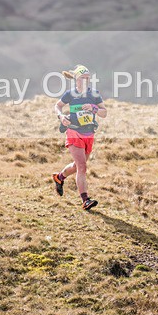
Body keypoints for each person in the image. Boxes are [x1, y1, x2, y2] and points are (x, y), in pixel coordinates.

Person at [52, 64, 107, 210]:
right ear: (76, 79)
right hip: (74, 132)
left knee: (77, 166)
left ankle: (60, 177)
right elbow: (57, 106)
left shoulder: (94, 94)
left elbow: (104, 112)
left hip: (89, 133)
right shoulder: (70, 94)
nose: (86, 80)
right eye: (83, 77)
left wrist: (94, 108)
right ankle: (85, 200)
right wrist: (61, 116)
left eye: (88, 78)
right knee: (82, 167)